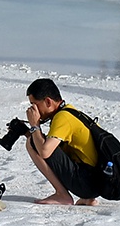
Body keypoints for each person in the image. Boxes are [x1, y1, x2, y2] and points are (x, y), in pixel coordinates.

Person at [20, 77, 101, 206]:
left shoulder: (62, 117)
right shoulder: (70, 112)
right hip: (97, 182)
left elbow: (45, 152)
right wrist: (29, 131)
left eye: (34, 105)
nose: (33, 110)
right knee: (37, 141)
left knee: (32, 143)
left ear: (48, 101)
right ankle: (88, 198)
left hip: (87, 182)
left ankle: (62, 195)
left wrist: (35, 126)